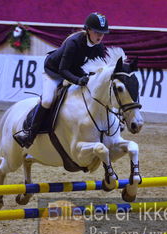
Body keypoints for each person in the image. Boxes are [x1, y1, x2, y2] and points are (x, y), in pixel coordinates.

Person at [14, 12, 109, 148]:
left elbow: (97, 68)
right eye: (97, 32)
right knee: (47, 100)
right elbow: (62, 70)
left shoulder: (99, 47)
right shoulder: (74, 42)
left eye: (102, 33)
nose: (100, 36)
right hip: (53, 71)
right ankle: (29, 133)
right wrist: (78, 80)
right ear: (88, 30)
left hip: (74, 71)